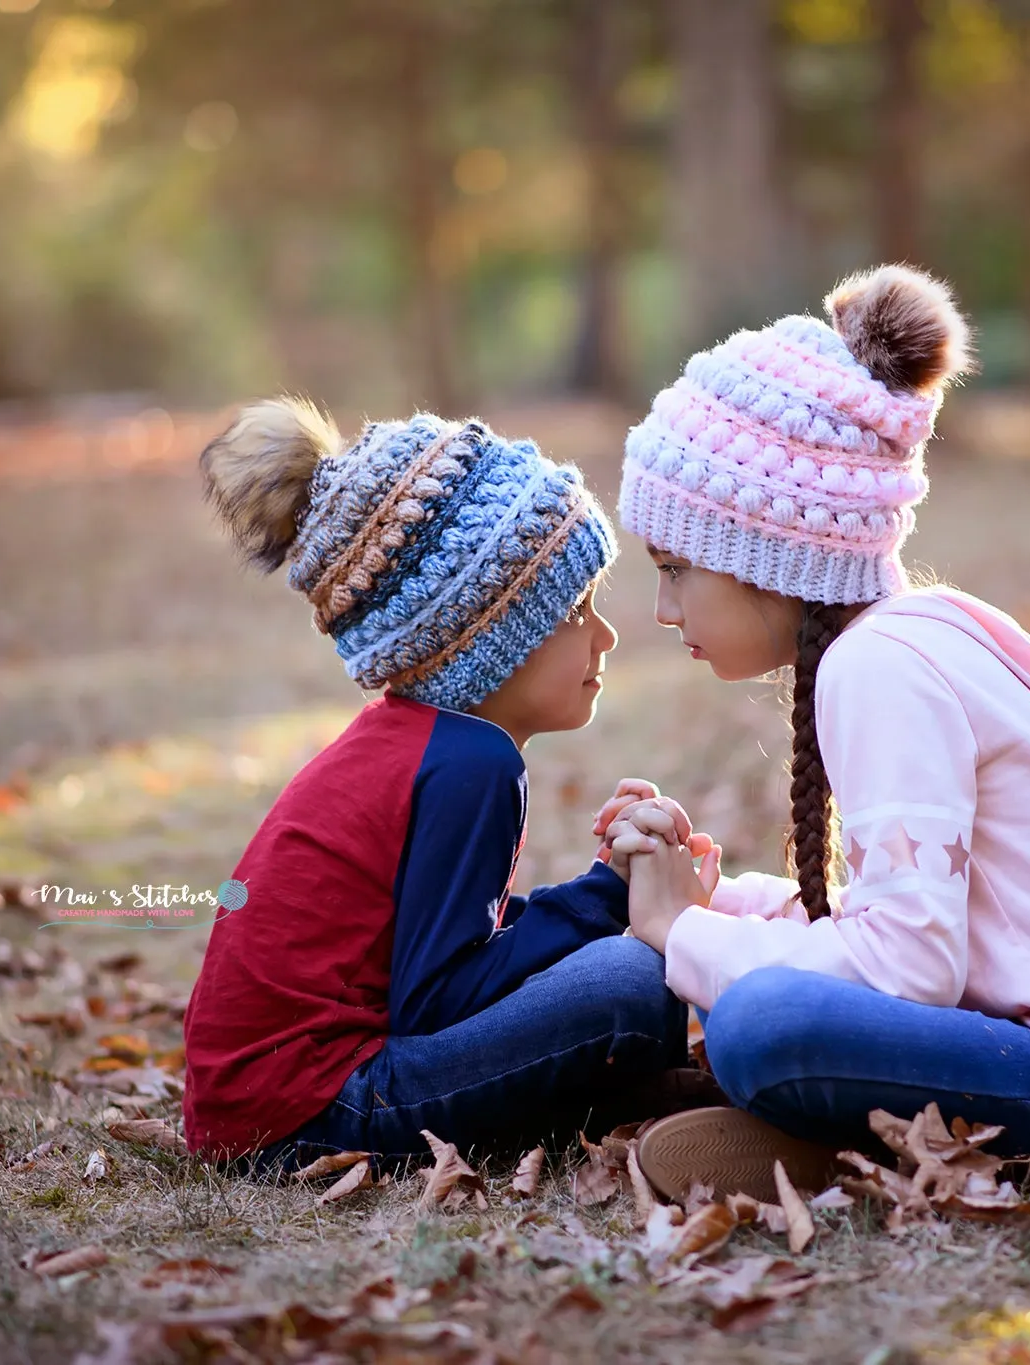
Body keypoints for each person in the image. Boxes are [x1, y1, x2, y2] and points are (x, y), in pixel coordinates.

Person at [594, 265, 1030, 1201]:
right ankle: (848, 1129)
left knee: (762, 1027)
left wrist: (681, 932)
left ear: (768, 554)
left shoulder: (880, 666)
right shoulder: (901, 640)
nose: (662, 609)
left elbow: (908, 970)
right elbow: (907, 925)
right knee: (763, 1009)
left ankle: (850, 1133)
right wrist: (727, 901)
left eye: (675, 568)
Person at [180, 398, 709, 1174]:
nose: (607, 635)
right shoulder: (471, 763)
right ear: (487, 635)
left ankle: (653, 1101)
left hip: (268, 1107)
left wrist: (607, 896)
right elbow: (439, 1000)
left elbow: (440, 960)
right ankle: (655, 1104)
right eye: (574, 610)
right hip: (311, 1108)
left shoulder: (422, 744)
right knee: (630, 975)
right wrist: (605, 897)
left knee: (629, 970)